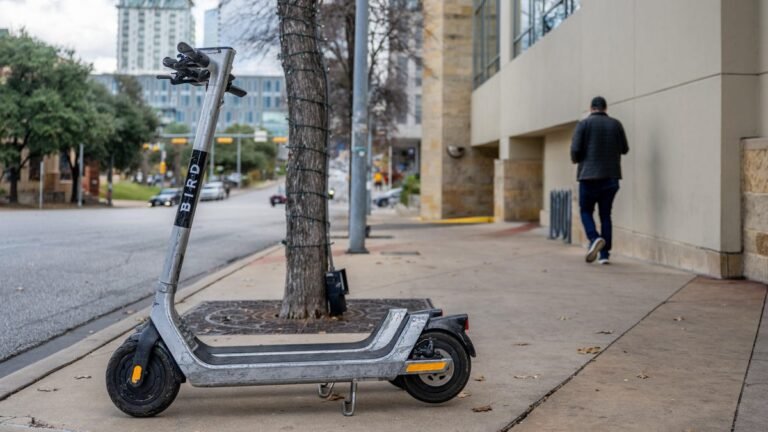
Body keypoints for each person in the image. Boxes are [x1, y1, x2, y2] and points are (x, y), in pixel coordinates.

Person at [570, 96, 629, 264]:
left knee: (586, 211)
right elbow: (625, 149)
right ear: (605, 108)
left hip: (588, 177)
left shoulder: (583, 124)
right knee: (605, 215)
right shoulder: (616, 124)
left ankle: (594, 238)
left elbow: (575, 149)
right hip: (611, 177)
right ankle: (604, 255)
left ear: (591, 108)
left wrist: (577, 160)